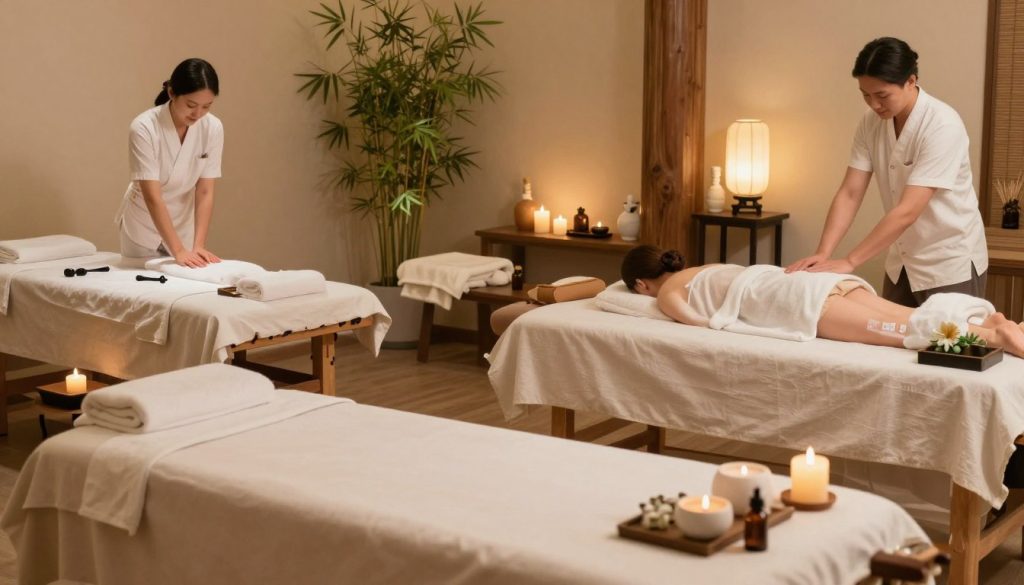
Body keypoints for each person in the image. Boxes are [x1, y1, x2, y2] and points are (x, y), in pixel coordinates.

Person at [786, 37, 987, 307]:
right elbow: (850, 192)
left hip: (948, 260)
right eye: (866, 95)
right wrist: (824, 252)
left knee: (947, 346)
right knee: (890, 343)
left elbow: (908, 210)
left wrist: (850, 261)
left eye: (882, 95)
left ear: (911, 82)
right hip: (902, 262)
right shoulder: (871, 123)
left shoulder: (942, 125)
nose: (874, 104)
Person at [622, 245, 1024, 357]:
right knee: (911, 316)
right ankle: (989, 322)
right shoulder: (705, 266)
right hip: (814, 284)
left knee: (904, 334)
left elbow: (698, 326)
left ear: (642, 284)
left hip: (795, 303)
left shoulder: (669, 293)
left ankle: (993, 338)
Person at [115, 58, 224, 268]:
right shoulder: (144, 127)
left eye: (206, 106)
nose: (198, 114)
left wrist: (198, 245)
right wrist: (179, 250)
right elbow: (152, 196)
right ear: (172, 93)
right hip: (144, 225)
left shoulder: (213, 127)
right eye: (191, 105)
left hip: (182, 225)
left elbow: (204, 191)